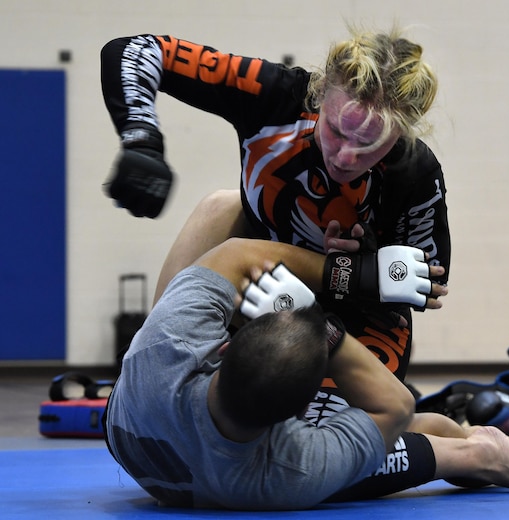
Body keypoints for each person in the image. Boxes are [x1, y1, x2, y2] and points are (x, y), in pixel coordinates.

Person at [104, 236, 509, 510]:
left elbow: (234, 251)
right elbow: (396, 405)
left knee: (219, 206)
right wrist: (325, 325)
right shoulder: (292, 469)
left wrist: (348, 274)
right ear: (303, 416)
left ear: (221, 344)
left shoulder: (163, 348)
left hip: (162, 431)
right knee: (449, 436)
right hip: (238, 480)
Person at [99, 27, 450, 405]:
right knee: (221, 206)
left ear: (401, 132)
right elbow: (136, 49)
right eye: (335, 130)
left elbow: (424, 289)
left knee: (336, 444)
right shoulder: (275, 96)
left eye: (370, 145)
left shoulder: (413, 170)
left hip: (347, 325)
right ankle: (156, 360)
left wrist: (365, 257)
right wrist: (142, 138)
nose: (345, 157)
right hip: (258, 293)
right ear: (320, 94)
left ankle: (490, 451)